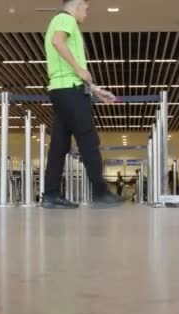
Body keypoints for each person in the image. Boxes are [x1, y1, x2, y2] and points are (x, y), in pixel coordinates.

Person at [41, 0, 123, 209]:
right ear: (76, 4)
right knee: (88, 140)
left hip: (62, 90)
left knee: (60, 144)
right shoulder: (65, 19)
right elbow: (57, 42)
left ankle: (50, 195)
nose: (87, 13)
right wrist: (78, 69)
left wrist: (96, 90)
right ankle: (100, 192)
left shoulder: (62, 21)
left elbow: (67, 66)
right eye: (86, 8)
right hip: (70, 90)